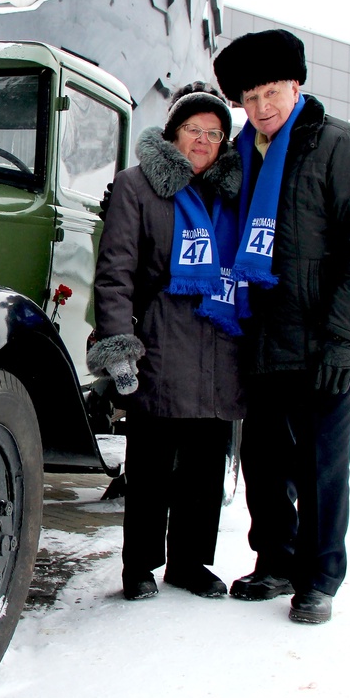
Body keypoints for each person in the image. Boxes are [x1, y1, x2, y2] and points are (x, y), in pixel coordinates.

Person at [212, 29, 350, 624]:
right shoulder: (240, 156)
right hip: (264, 340)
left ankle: (319, 578)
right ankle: (275, 561)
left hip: (327, 342)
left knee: (322, 466)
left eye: (271, 92)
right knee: (265, 464)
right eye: (249, 99)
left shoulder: (340, 146)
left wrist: (345, 334)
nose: (262, 108)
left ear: (297, 84)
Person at [89, 81, 245, 602]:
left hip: (220, 346)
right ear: (174, 133)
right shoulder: (138, 186)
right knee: (152, 463)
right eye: (194, 130)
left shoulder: (233, 194)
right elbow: (115, 273)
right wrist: (119, 346)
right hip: (160, 341)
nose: (204, 140)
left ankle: (190, 563)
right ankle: (139, 567)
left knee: (205, 464)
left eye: (215, 133)